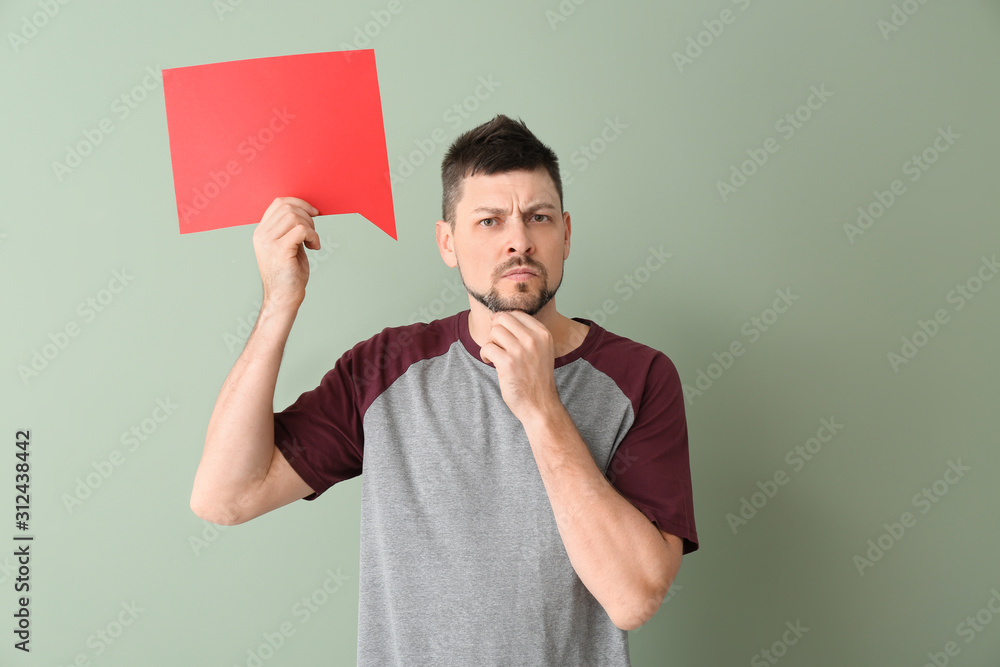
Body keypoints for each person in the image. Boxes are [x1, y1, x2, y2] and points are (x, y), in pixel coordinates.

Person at [191, 114, 698, 666]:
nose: (519, 241)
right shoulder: (385, 369)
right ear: (447, 242)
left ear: (567, 234)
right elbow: (226, 497)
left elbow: (634, 597)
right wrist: (278, 304)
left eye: (539, 217)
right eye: (489, 221)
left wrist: (541, 408)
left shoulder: (641, 377)